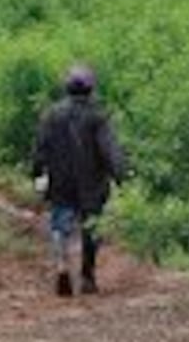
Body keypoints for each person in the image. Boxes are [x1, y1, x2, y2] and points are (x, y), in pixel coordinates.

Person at [31, 64, 127, 297]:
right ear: (91, 89)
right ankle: (87, 276)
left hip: (60, 181)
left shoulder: (51, 115)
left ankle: (62, 265)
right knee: (91, 228)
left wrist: (37, 173)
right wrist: (120, 174)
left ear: (67, 88)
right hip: (92, 183)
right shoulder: (98, 116)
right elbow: (109, 150)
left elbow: (40, 149)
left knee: (59, 225)